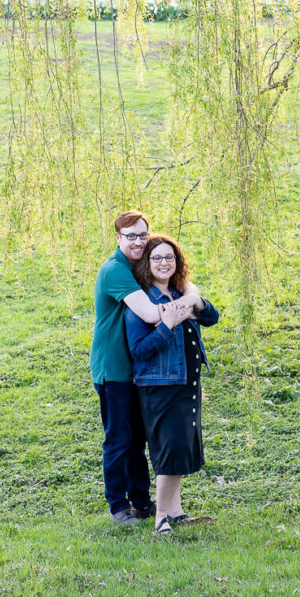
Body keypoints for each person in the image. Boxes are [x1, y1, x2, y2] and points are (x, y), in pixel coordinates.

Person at [90, 211, 198, 525]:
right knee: (119, 439)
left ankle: (141, 501)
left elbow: (189, 287)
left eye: (142, 235)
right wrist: (184, 308)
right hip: (115, 367)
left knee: (138, 439)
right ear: (117, 238)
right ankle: (118, 507)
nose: (138, 241)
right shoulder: (115, 270)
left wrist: (190, 298)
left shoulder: (138, 266)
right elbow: (152, 315)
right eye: (131, 236)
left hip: (139, 368)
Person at [125, 234, 219, 535]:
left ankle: (176, 512)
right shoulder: (142, 302)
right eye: (157, 258)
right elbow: (139, 351)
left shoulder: (180, 293)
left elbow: (212, 318)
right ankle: (161, 518)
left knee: (180, 448)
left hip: (187, 382)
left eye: (170, 257)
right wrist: (166, 326)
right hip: (161, 387)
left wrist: (195, 300)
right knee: (169, 450)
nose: (164, 263)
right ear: (147, 264)